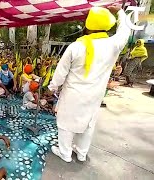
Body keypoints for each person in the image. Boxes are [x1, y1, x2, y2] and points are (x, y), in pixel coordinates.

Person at [48, 5, 130, 162]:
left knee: (66, 123)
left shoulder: (76, 46)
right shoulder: (113, 44)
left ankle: (65, 153)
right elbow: (125, 31)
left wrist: (52, 88)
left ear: (88, 26)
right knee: (88, 124)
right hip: (95, 95)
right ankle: (81, 153)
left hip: (73, 94)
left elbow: (60, 73)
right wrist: (120, 11)